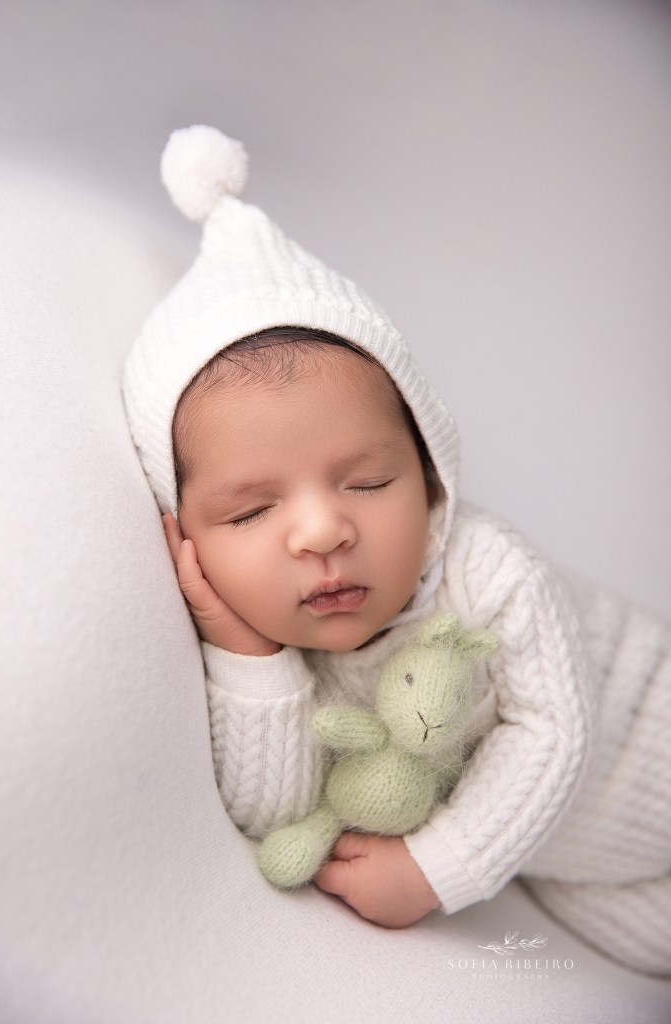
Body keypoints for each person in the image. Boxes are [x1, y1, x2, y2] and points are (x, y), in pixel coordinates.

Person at [123, 125, 671, 977]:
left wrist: (435, 868)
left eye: (369, 482)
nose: (321, 532)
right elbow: (273, 812)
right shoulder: (286, 649)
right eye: (252, 511)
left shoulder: (488, 572)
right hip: (576, 863)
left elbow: (554, 733)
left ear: (429, 473)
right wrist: (248, 656)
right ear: (187, 534)